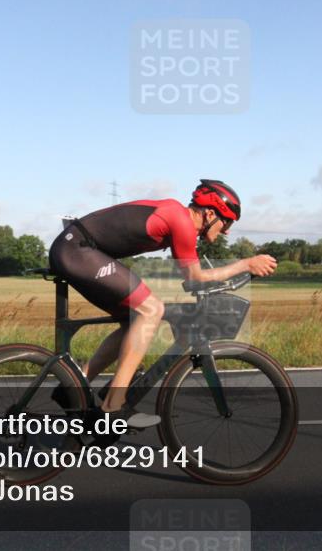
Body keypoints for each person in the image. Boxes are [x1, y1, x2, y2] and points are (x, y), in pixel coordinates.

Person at [47, 179, 277, 429]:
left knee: (134, 320)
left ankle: (74, 385)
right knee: (151, 309)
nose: (227, 231)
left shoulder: (179, 220)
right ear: (210, 213)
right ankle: (113, 406)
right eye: (227, 222)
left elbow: (191, 278)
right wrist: (245, 264)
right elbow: (195, 276)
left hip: (77, 249)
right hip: (76, 250)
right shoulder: (180, 220)